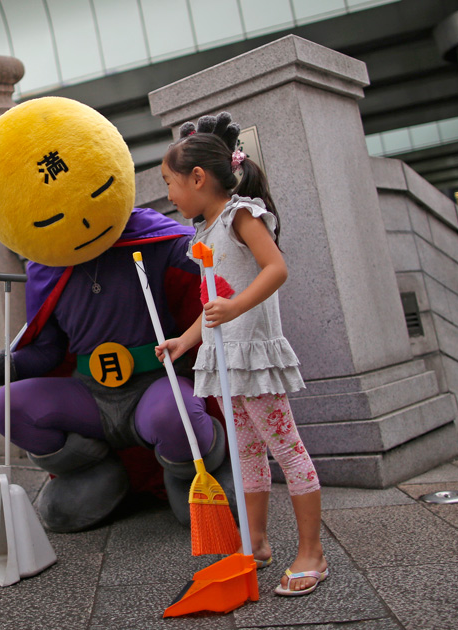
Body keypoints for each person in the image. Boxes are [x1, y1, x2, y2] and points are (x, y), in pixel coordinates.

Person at [0, 96, 233, 534]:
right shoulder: (46, 267)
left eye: (98, 191)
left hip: (152, 382)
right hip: (89, 395)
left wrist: (216, 180)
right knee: (11, 406)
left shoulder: (150, 235)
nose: (81, 223)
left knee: (175, 412)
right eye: (53, 217)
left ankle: (195, 472)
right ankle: (95, 473)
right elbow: (45, 351)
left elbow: (216, 253)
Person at [155, 113, 326, 596]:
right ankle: (256, 544)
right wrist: (185, 340)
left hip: (252, 355)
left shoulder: (239, 216)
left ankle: (313, 552)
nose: (169, 194)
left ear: (198, 178)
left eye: (169, 183)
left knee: (286, 449)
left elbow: (276, 269)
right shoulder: (204, 232)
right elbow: (215, 303)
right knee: (248, 454)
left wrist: (234, 307)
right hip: (226, 360)